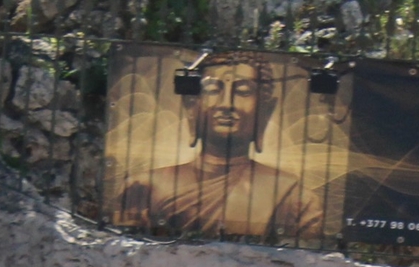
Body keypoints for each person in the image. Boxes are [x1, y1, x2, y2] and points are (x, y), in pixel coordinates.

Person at [115, 53, 323, 243]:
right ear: (192, 107)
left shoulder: (293, 197)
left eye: (243, 91)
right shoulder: (143, 187)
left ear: (265, 111)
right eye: (213, 90)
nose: (226, 104)